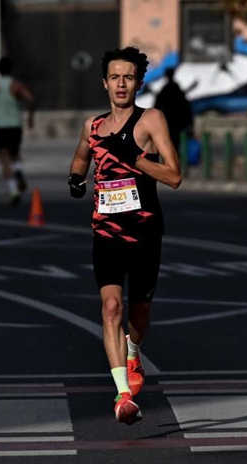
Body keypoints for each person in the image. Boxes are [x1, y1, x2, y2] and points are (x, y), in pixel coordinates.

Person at [67, 46, 182, 425]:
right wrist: (75, 180)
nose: (121, 84)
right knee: (110, 307)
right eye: (115, 77)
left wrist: (133, 156)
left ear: (138, 82)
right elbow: (82, 158)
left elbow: (174, 176)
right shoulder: (93, 126)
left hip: (145, 230)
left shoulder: (151, 120)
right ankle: (122, 395)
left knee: (139, 315)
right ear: (104, 83)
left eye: (128, 77)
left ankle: (134, 350)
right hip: (106, 232)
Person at [0, 57, 36, 206]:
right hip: (15, 125)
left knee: (4, 156)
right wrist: (31, 118)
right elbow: (31, 99)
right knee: (16, 153)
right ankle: (18, 170)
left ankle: (13, 191)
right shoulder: (16, 85)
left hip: (1, 126)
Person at [153, 67, 193, 153]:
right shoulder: (178, 91)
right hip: (177, 122)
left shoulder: (164, 91)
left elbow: (157, 106)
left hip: (167, 121)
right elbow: (186, 107)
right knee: (175, 144)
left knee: (168, 144)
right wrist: (189, 123)